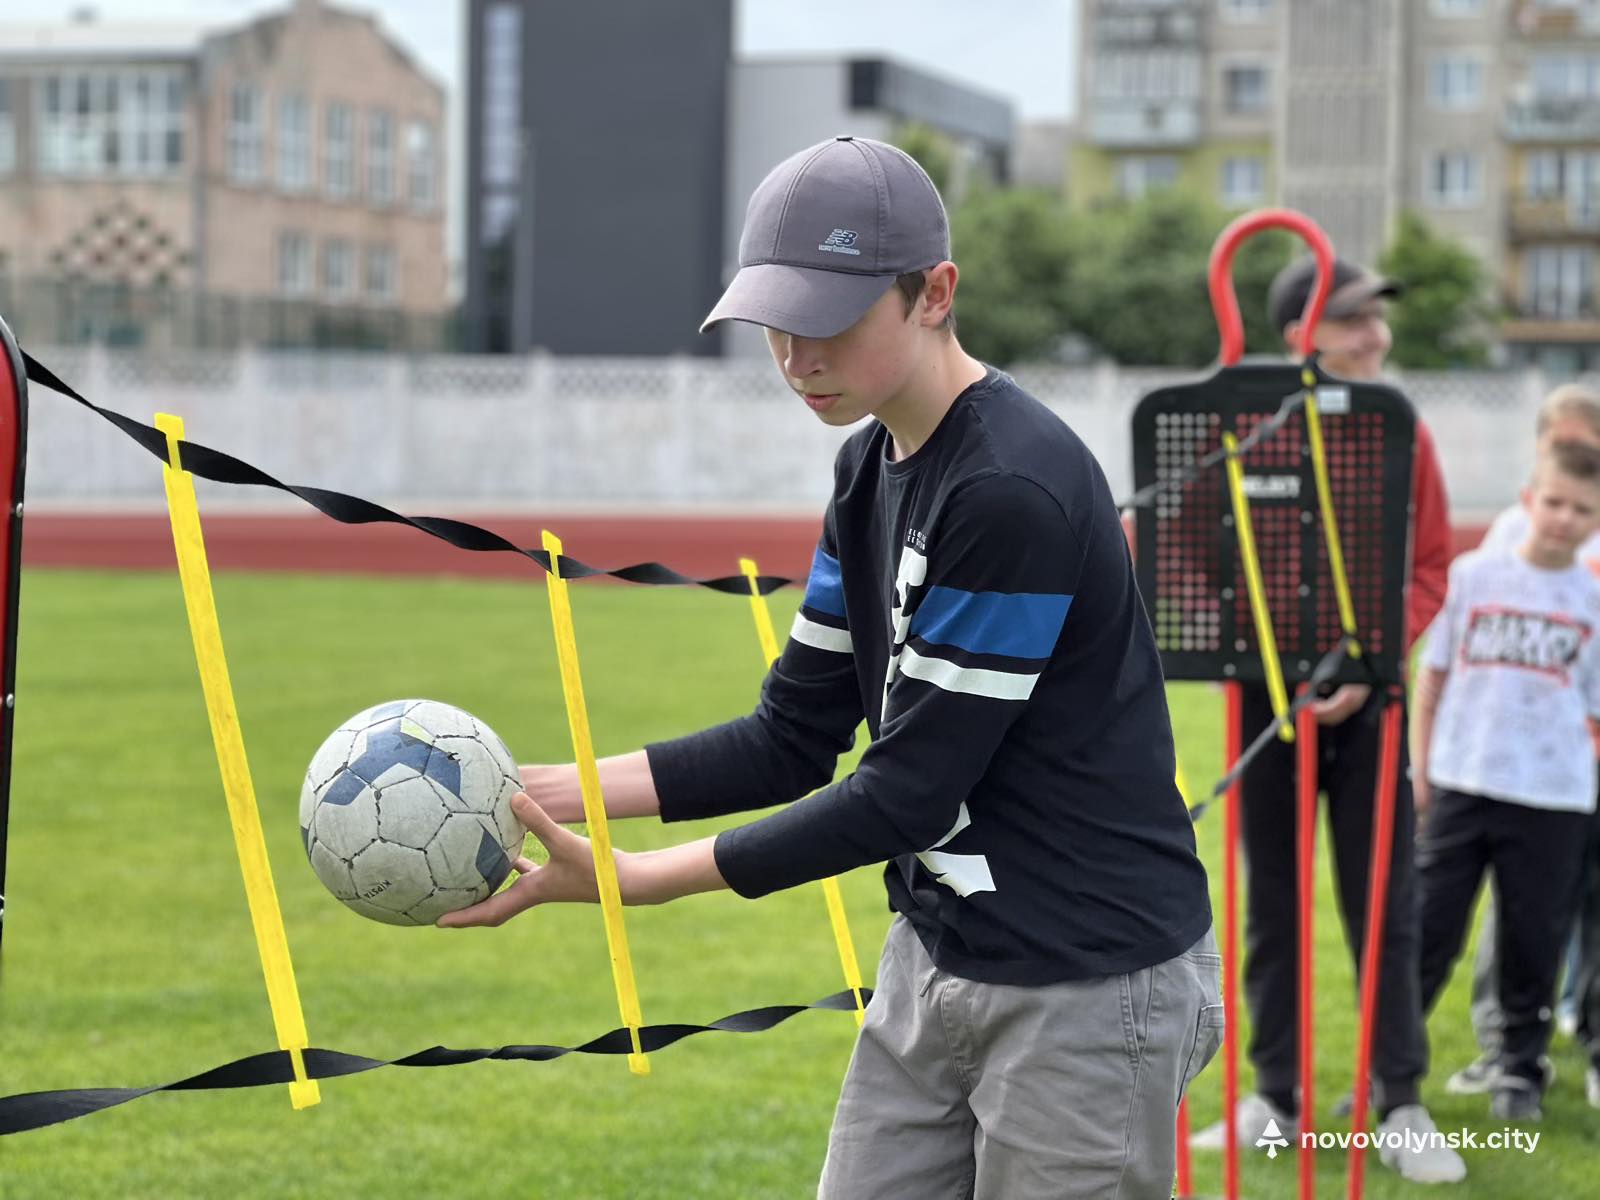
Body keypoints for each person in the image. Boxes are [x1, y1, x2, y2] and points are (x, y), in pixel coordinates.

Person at [442, 136, 1220, 1198]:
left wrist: (637, 881)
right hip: (936, 954)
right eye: (776, 323)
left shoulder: (1010, 491)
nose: (795, 358)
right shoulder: (865, 470)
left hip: (1088, 981)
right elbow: (790, 740)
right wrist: (531, 790)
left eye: (829, 321)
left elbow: (904, 793)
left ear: (933, 293)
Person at [1190, 256, 1466, 1184]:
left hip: (1371, 704)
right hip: (1265, 705)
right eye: (1352, 320)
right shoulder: (1241, 430)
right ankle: (1273, 1098)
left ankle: (1401, 1102)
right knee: (1270, 903)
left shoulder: (1401, 430)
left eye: (1376, 318)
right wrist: (1259, 657)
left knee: (1385, 902)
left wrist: (1369, 661)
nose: (1375, 336)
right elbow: (1197, 557)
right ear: (1298, 335)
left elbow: (1429, 567)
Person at [1411, 438, 1600, 1121]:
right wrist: (1422, 770)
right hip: (1463, 782)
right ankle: (1391, 1070)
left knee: (1531, 940)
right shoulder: (1473, 577)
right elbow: (1431, 679)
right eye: (1554, 502)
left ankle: (1519, 1072)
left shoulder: (1592, 599)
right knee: (1427, 930)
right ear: (1527, 501)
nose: (1564, 519)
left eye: (1582, 509)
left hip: (1552, 797)